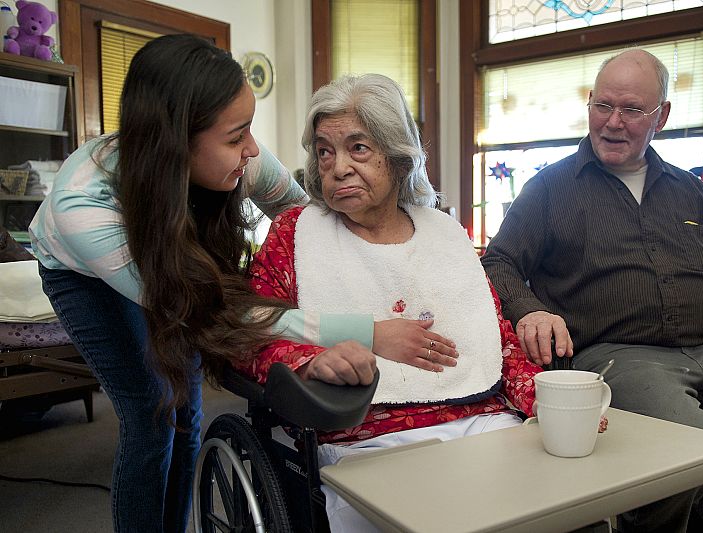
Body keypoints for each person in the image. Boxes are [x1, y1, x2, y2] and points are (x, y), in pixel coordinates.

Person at [28, 35, 455, 533]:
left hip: (175, 265)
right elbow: (214, 312)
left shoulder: (241, 161)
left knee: (187, 411)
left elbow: (305, 222)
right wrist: (369, 332)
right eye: (236, 137)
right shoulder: (83, 208)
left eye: (249, 129)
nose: (252, 148)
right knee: (151, 410)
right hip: (85, 278)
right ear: (178, 143)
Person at [482, 48, 703, 532]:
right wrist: (530, 309)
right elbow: (499, 261)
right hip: (618, 355)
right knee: (689, 448)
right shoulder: (550, 188)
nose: (612, 122)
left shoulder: (689, 190)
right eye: (602, 105)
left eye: (631, 109)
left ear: (661, 116)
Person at [239, 73, 549, 533]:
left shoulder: (445, 234)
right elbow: (251, 334)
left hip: (482, 423)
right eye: (325, 152)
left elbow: (495, 338)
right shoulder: (295, 235)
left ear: (398, 157)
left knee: (550, 501)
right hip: (363, 441)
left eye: (358, 148)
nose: (338, 167)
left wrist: (544, 399)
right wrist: (309, 362)